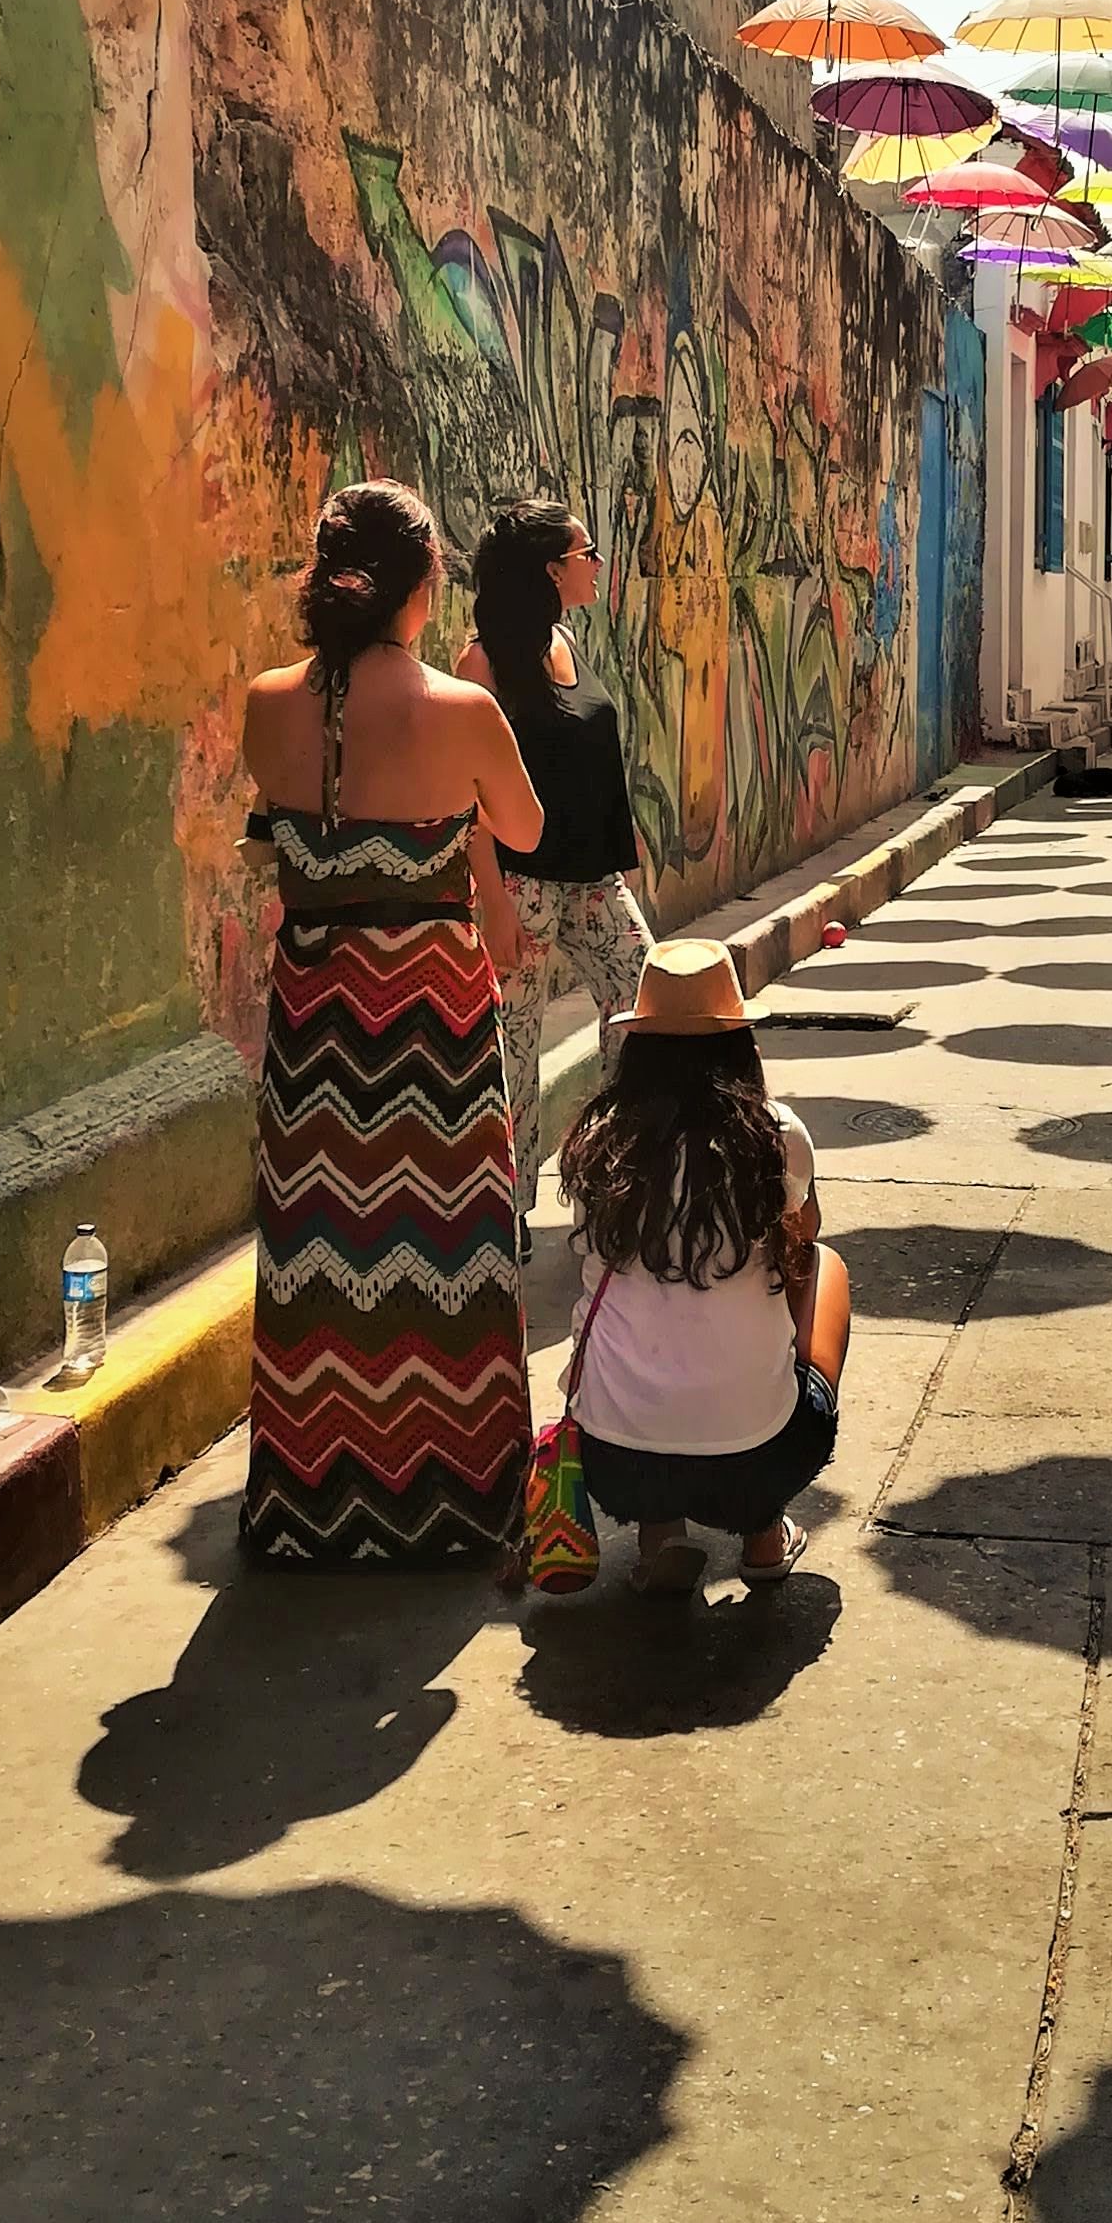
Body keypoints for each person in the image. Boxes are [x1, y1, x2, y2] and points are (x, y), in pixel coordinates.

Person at [238, 480, 546, 1566]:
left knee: (321, 1245)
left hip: (315, 1027)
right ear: (417, 590)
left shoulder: (268, 701)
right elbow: (523, 823)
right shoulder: (461, 712)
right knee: (450, 1242)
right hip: (434, 1025)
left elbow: (272, 817)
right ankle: (455, 1491)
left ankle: (318, 1500)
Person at [559, 938, 852, 1594]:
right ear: (737, 1044)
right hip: (758, 1460)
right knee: (823, 1267)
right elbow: (806, 1237)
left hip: (614, 1461)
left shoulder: (597, 1142)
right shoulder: (773, 1133)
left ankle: (658, 1533)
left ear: (636, 1046)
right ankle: (763, 1535)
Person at [458, 499, 653, 1259]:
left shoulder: (567, 641)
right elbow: (466, 792)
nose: (597, 563)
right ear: (550, 569)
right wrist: (493, 901)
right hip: (522, 885)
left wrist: (618, 833)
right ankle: (505, 1212)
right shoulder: (482, 663)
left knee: (642, 999)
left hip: (591, 877)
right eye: (585, 551)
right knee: (514, 1048)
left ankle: (621, 1179)